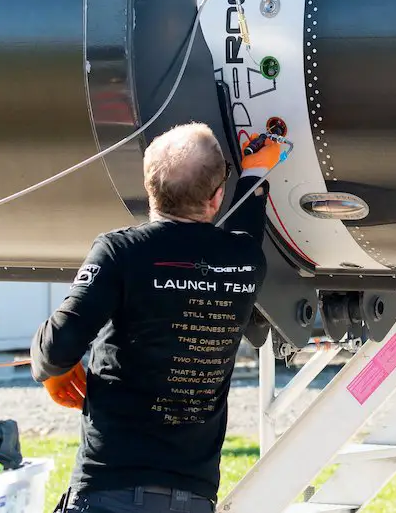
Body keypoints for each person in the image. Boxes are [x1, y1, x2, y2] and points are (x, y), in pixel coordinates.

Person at [31, 122, 266, 513]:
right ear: (217, 197)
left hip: (111, 487)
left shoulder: (122, 252)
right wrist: (257, 172)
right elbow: (247, 224)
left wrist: (52, 370)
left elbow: (57, 347)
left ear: (149, 186)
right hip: (193, 495)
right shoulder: (244, 261)